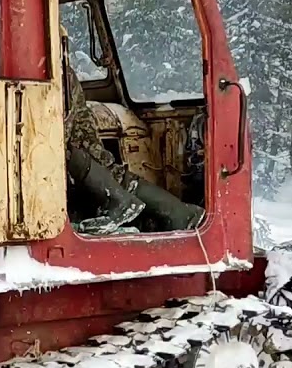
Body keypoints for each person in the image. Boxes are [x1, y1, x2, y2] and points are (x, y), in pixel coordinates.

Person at [61, 27, 205, 234]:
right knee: (98, 162)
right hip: (64, 85)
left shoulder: (57, 71)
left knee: (63, 153)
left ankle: (128, 203)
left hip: (55, 83)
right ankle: (178, 212)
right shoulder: (64, 69)